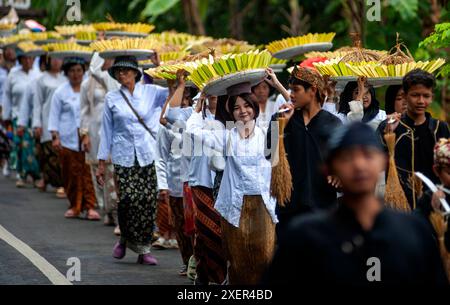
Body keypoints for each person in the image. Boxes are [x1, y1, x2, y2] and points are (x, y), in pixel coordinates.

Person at [265, 122, 448, 285]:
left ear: (383, 162)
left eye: (368, 155)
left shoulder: (412, 232)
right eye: (347, 157)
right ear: (328, 168)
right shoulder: (305, 236)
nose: (359, 165)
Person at [186, 81, 278, 285]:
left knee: (264, 258)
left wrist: (278, 85)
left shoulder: (267, 134)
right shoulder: (227, 137)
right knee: (237, 261)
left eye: (246, 106)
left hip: (263, 208)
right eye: (236, 107)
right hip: (235, 208)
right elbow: (193, 131)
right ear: (230, 111)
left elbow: (290, 110)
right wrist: (197, 108)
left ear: (254, 107)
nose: (242, 111)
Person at [97, 55, 169, 265]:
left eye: (127, 70)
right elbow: (106, 131)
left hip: (147, 154)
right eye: (119, 71)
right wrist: (102, 163)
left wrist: (159, 65)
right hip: (123, 155)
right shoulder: (112, 98)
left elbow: (173, 90)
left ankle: (143, 249)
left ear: (136, 73)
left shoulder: (151, 91)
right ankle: (125, 237)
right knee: (128, 200)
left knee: (147, 202)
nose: (122, 74)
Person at [165, 70, 225, 284]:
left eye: (218, 93)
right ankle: (203, 274)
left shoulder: (233, 111)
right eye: (210, 93)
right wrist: (181, 86)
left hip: (225, 183)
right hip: (200, 181)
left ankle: (220, 275)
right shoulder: (194, 113)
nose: (214, 98)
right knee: (204, 230)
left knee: (221, 232)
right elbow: (170, 115)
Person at [267, 65, 342, 236]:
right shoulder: (281, 118)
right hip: (289, 210)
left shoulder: (333, 124)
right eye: (290, 90)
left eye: (296, 90)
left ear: (313, 90)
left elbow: (343, 162)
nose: (291, 94)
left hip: (323, 210)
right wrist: (280, 127)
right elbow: (270, 156)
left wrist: (339, 175)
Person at [377, 69, 450, 209]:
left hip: (435, 205)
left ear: (432, 97)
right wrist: (388, 136)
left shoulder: (440, 128)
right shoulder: (389, 127)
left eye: (426, 96)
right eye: (415, 95)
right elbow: (375, 160)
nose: (421, 101)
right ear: (405, 96)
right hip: (400, 205)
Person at [48, 56, 99, 220]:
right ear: (66, 73)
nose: (75, 74)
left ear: (83, 72)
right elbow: (54, 115)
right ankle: (74, 206)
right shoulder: (60, 92)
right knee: (70, 172)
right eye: (72, 71)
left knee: (88, 172)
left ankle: (90, 206)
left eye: (78, 70)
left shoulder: (88, 89)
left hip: (87, 137)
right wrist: (55, 137)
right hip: (67, 138)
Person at [80, 53, 120, 234]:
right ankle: (105, 208)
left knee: (112, 171)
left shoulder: (115, 80)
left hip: (111, 129)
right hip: (94, 130)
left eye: (110, 57)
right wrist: (84, 133)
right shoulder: (87, 83)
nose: (108, 61)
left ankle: (114, 210)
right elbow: (84, 111)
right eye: (105, 58)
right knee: (97, 169)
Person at [2, 48, 41, 187]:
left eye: (31, 58)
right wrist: (5, 115)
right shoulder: (13, 74)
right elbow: (7, 96)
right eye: (26, 58)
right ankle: (22, 174)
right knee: (20, 145)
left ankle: (36, 174)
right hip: (17, 115)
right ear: (20, 60)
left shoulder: (37, 74)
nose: (29, 61)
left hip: (34, 116)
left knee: (33, 147)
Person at [31, 55, 67, 197]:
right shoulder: (41, 79)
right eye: (53, 58)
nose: (57, 61)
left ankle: (57, 181)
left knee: (64, 154)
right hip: (47, 120)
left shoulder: (66, 77)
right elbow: (38, 103)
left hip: (64, 121)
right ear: (48, 60)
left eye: (59, 58)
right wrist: (37, 124)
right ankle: (59, 184)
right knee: (50, 154)